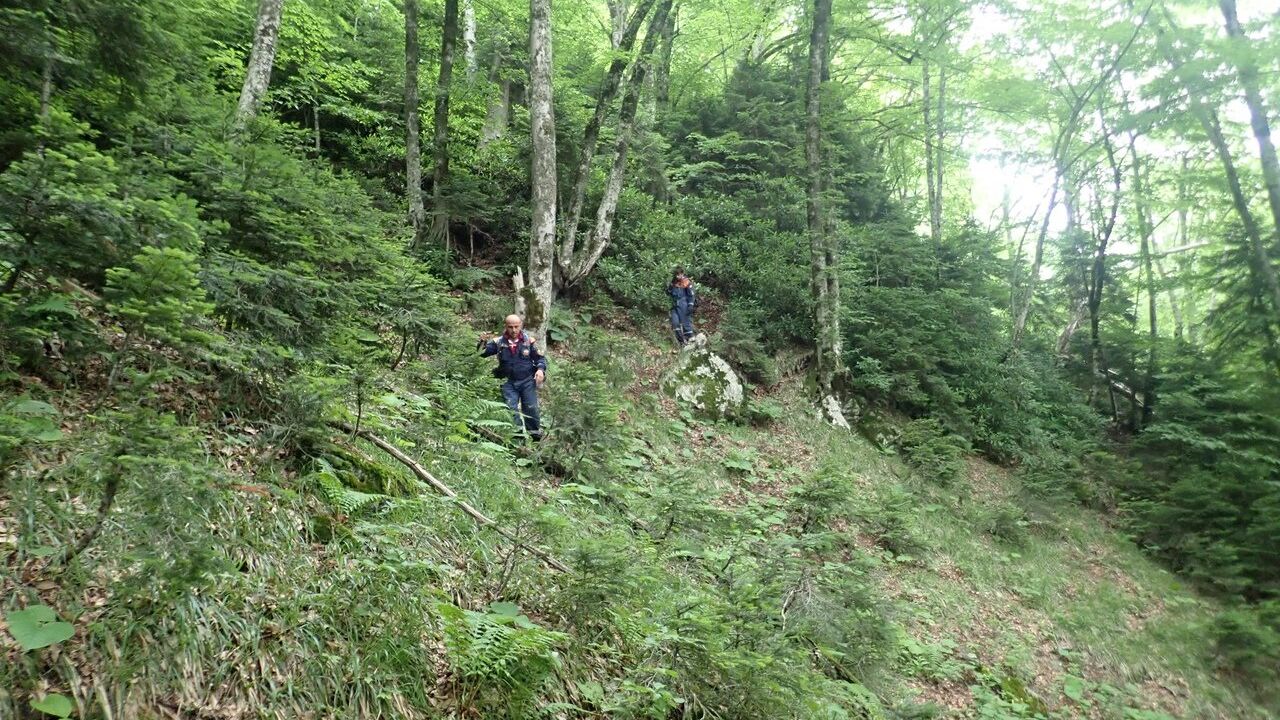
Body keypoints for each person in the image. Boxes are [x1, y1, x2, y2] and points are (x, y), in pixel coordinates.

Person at [478, 314, 548, 440]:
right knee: (511, 409)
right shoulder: (499, 342)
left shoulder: (528, 342)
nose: (514, 330)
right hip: (507, 382)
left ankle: (535, 438)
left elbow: (540, 359)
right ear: (506, 326)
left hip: (527, 381)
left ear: (520, 325)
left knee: (531, 409)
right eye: (510, 327)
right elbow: (482, 353)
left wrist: (540, 370)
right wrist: (482, 342)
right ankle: (518, 438)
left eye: (516, 326)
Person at [666, 268, 697, 346]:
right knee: (675, 322)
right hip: (674, 305)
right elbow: (669, 292)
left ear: (682, 274)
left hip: (684, 304)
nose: (678, 276)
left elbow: (691, 295)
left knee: (686, 322)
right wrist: (669, 287)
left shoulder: (687, 282)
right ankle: (681, 341)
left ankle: (691, 341)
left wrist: (690, 305)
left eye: (679, 274)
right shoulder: (673, 283)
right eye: (676, 275)